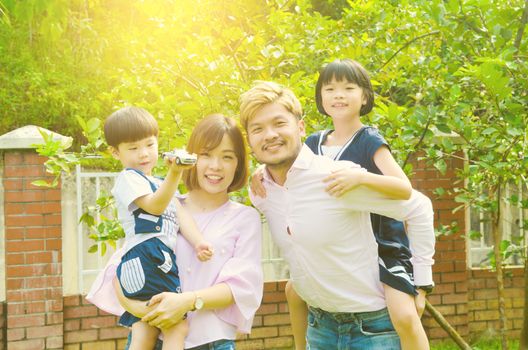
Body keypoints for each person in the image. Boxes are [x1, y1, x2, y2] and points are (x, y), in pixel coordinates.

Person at [240, 81, 435, 350]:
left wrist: (422, 283)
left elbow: (419, 207)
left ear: (300, 127)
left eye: (279, 123)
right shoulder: (262, 191)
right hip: (319, 328)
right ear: (249, 140)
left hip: (372, 331)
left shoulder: (335, 178)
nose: (270, 135)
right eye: (258, 129)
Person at [87, 113, 263, 350]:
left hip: (212, 341)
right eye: (206, 155)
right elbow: (119, 268)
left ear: (238, 164)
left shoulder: (245, 218)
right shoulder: (164, 207)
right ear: (191, 159)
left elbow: (241, 287)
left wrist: (186, 302)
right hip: (153, 337)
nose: (215, 166)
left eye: (227, 157)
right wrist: (140, 309)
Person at [102, 106, 214, 350]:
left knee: (144, 328)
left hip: (150, 259)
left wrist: (198, 242)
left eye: (149, 145)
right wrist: (175, 174)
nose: (143, 154)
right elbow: (154, 207)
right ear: (115, 152)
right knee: (176, 325)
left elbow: (180, 215)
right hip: (148, 256)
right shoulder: (129, 178)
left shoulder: (158, 183)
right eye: (133, 148)